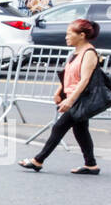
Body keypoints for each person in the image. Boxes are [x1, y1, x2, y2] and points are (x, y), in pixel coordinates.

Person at [19, 18, 103, 175]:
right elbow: (69, 75)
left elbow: (84, 80)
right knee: (81, 131)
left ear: (82, 35)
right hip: (72, 96)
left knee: (59, 127)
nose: (66, 37)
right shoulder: (76, 52)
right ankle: (91, 164)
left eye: (69, 33)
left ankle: (38, 160)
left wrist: (70, 101)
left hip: (80, 99)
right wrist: (59, 91)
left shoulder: (89, 53)